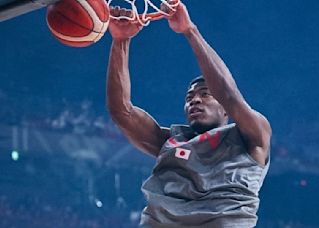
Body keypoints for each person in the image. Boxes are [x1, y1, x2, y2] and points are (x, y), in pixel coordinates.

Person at [106, 2, 272, 228]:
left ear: (224, 108)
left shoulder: (253, 134)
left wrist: (189, 31)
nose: (195, 99)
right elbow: (121, 111)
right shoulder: (170, 141)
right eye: (189, 97)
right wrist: (120, 41)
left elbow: (229, 95)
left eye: (205, 94)